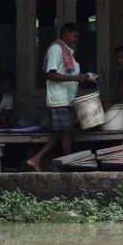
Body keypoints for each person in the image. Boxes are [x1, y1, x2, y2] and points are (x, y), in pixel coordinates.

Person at [26, 23, 90, 172]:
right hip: (59, 99)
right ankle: (42, 160)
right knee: (65, 132)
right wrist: (75, 78)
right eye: (75, 36)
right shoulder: (56, 48)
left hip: (67, 99)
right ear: (66, 33)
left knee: (65, 132)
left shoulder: (67, 52)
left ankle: (48, 160)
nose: (76, 40)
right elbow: (50, 74)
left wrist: (83, 77)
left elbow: (68, 74)